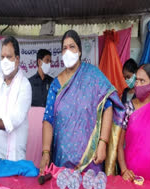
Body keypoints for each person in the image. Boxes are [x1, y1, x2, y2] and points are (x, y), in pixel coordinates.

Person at [39, 30, 125, 175]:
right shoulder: (56, 84)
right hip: (62, 159)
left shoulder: (93, 76)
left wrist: (103, 143)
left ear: (79, 51)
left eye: (72, 47)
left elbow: (108, 107)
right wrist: (46, 152)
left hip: (91, 159)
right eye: (64, 48)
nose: (68, 51)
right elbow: (48, 119)